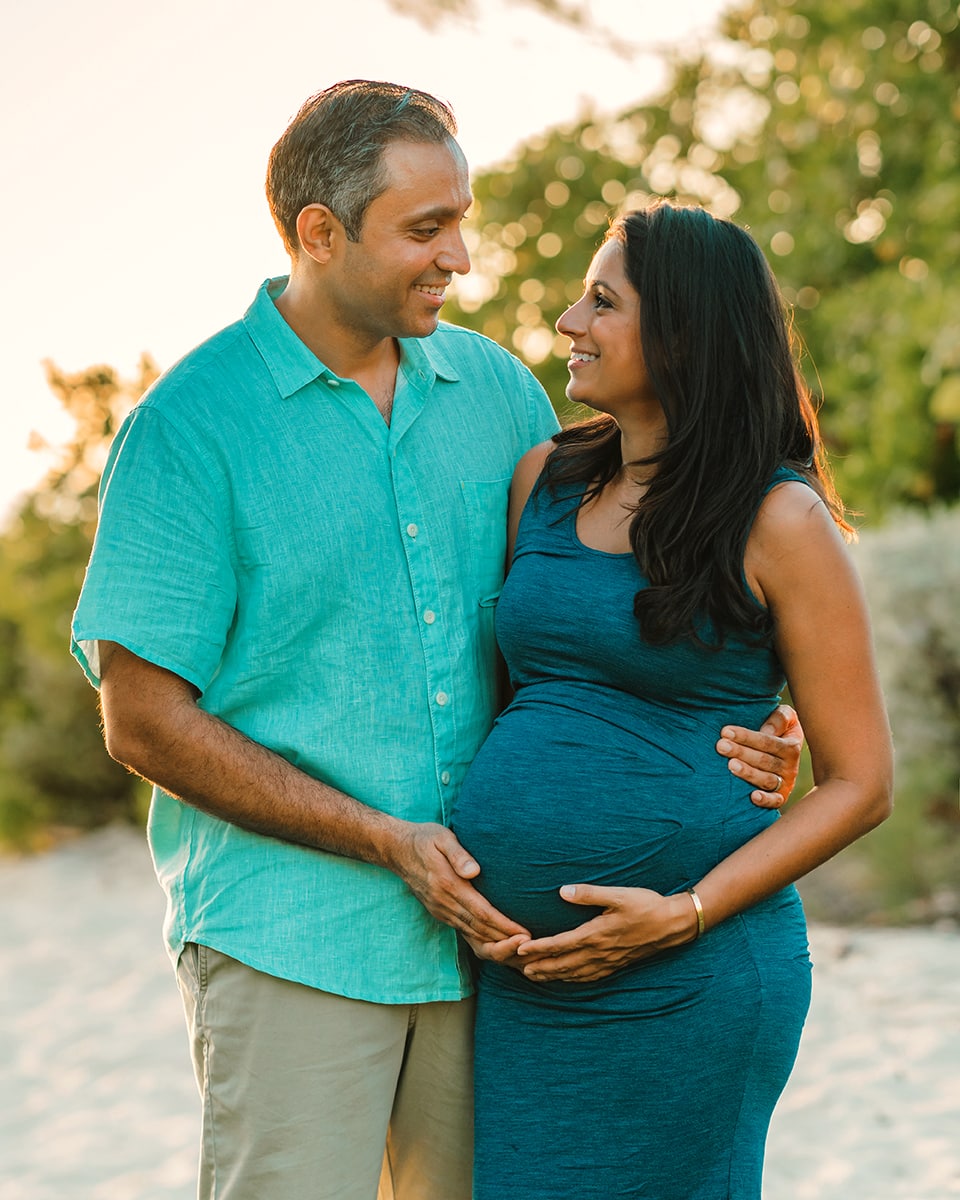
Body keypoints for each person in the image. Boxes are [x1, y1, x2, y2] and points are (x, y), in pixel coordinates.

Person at [70, 83, 803, 1200]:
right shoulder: (190, 429)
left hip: (498, 956)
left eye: (460, 219)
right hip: (293, 939)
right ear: (321, 232)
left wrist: (744, 718)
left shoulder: (500, 395)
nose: (458, 255)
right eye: (425, 229)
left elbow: (590, 617)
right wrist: (381, 838)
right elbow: (143, 718)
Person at [451, 202, 894, 1200]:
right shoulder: (545, 481)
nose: (568, 321)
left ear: (684, 332)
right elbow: (538, 705)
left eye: (602, 302)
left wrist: (684, 912)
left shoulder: (780, 519)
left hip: (692, 978)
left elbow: (862, 783)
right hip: (529, 985)